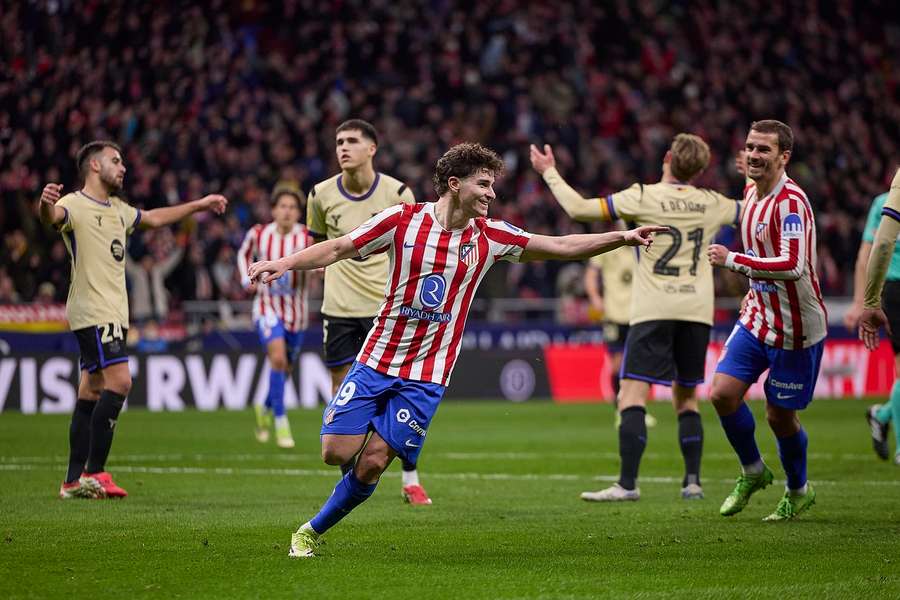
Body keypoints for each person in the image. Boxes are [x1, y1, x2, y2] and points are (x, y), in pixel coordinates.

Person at [248, 143, 666, 557]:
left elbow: (560, 246)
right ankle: (367, 435)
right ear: (454, 184)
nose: (491, 193)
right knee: (334, 452)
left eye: (492, 185)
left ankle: (309, 531)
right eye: (483, 184)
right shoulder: (402, 220)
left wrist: (621, 237)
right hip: (376, 359)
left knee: (373, 462)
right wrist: (285, 263)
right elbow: (339, 247)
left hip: (427, 375)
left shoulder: (492, 236)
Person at [531, 133, 742, 502]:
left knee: (631, 395)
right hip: (696, 311)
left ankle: (627, 484)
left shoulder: (643, 196)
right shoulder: (713, 202)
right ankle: (692, 482)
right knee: (686, 398)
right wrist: (754, 178)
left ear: (667, 157)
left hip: (653, 309)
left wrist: (549, 171)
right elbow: (754, 210)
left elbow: (579, 209)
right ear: (699, 170)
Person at [39, 140, 227, 499]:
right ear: (94, 165)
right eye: (115, 160)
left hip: (112, 312)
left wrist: (199, 205)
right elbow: (52, 217)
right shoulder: (74, 204)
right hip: (94, 310)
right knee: (121, 381)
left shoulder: (119, 210)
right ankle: (95, 472)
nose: (122, 167)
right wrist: (44, 204)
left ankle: (72, 481)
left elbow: (155, 217)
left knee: (91, 388)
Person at [306, 119, 432, 504]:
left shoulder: (398, 193)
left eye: (352, 141)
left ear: (372, 149)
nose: (343, 148)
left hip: (388, 312)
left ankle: (410, 478)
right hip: (339, 309)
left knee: (402, 394)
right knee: (341, 390)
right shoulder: (320, 194)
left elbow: (419, 250)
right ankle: (350, 484)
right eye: (338, 141)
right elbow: (320, 247)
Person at [707, 120, 826, 521]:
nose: (754, 155)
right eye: (750, 147)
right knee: (722, 393)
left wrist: (733, 260)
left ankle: (798, 489)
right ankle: (754, 471)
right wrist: (752, 290)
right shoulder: (750, 192)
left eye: (764, 149)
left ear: (784, 157)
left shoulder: (791, 203)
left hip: (796, 329)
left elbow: (793, 265)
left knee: (779, 416)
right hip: (759, 316)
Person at [237, 186, 313, 448]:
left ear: (298, 213)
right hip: (266, 307)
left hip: (297, 314)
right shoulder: (259, 234)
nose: (287, 211)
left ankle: (266, 406)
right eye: (283, 206)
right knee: (278, 358)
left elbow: (320, 259)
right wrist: (246, 279)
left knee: (285, 368)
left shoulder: (306, 236)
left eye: (292, 207)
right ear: (273, 210)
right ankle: (281, 422)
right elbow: (243, 253)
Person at [858, 168, 900, 465]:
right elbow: (871, 249)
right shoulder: (882, 203)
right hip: (896, 286)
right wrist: (863, 300)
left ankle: (882, 414)